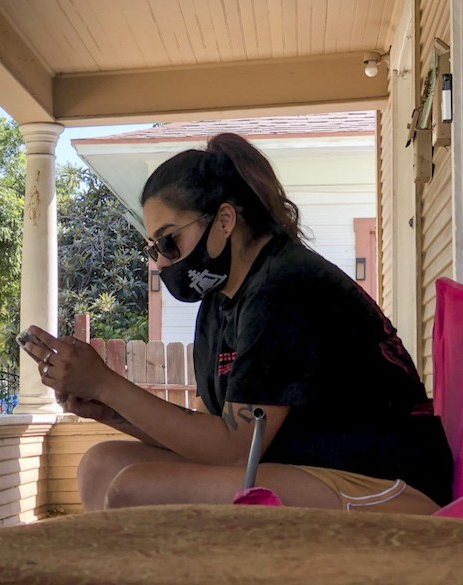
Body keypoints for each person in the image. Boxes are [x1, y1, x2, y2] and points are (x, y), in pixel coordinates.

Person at [22, 133, 452, 515]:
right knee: (102, 467)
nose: (161, 261)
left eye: (170, 241)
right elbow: (209, 432)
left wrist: (106, 383)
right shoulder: (221, 302)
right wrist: (109, 410)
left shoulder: (285, 285)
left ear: (225, 221)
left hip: (388, 484)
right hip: (306, 469)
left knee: (136, 490)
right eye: (154, 247)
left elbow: (233, 449)